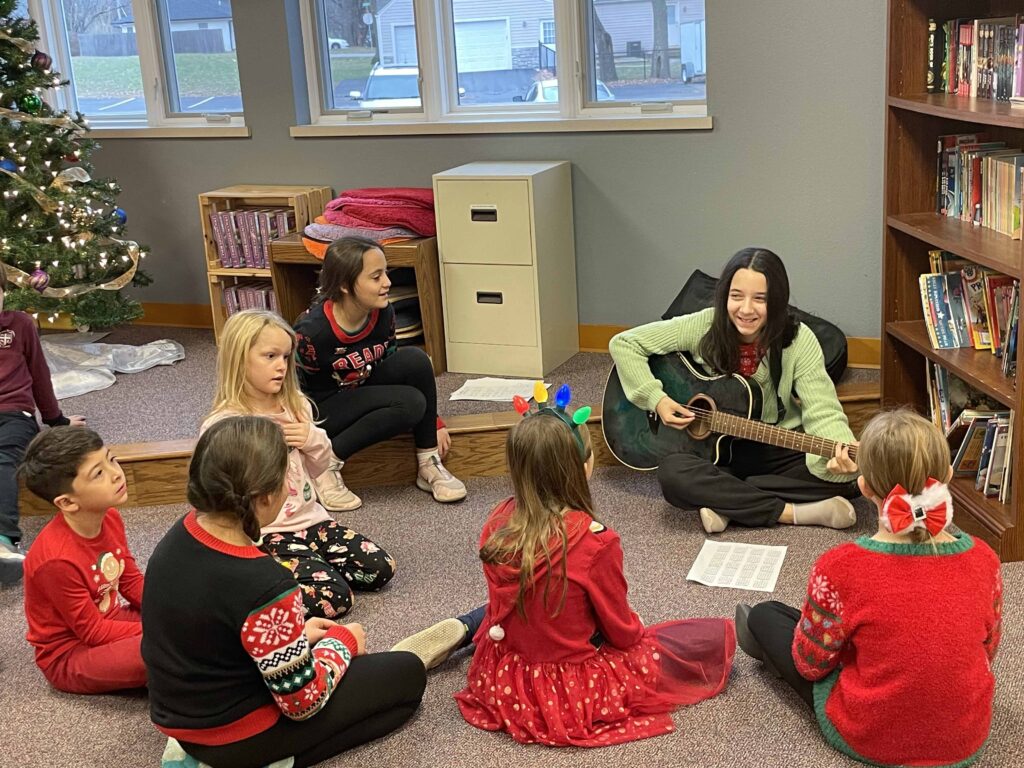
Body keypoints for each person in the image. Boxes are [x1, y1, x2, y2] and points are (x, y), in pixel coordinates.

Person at [443, 390, 735, 747]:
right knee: (709, 640)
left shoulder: (497, 521)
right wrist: (635, 627)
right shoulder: (595, 542)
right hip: (569, 691)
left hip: (506, 678)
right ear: (584, 467)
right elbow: (622, 633)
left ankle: (461, 630)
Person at [142, 416, 426, 768]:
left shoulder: (181, 533)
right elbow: (303, 702)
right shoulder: (265, 582)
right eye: (286, 479)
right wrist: (342, 643)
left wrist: (295, 637)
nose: (291, 489)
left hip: (181, 720)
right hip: (236, 736)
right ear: (264, 497)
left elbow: (214, 630)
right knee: (408, 676)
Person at [737, 409, 1002, 768]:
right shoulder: (985, 558)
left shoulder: (840, 566)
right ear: (949, 477)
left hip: (872, 737)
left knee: (769, 615)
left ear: (863, 487)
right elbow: (987, 651)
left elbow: (810, 664)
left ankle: (764, 641)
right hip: (964, 738)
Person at [609, 247, 859, 534]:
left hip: (771, 443)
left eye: (760, 299)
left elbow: (823, 411)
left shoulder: (799, 341)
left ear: (777, 301)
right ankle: (793, 513)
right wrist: (657, 400)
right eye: (736, 296)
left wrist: (843, 450)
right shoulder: (704, 324)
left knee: (847, 480)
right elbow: (625, 344)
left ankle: (727, 501)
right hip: (708, 451)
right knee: (674, 476)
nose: (746, 309)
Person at [203, 309, 394, 619]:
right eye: (270, 356)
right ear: (240, 359)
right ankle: (255, 592)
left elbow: (322, 468)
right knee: (337, 597)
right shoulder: (225, 424)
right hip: (267, 532)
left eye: (285, 357)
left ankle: (299, 571)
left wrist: (311, 438)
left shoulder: (297, 405)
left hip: (312, 520)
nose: (281, 366)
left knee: (380, 568)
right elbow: (219, 493)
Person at [294, 236, 466, 509]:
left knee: (416, 360)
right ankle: (328, 463)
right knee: (409, 403)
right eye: (376, 277)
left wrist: (433, 423)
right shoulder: (312, 332)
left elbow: (391, 362)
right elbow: (295, 390)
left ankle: (428, 461)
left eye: (386, 272)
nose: (387, 282)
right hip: (325, 407)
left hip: (362, 386)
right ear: (344, 285)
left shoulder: (383, 313)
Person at [18, 426, 146, 694]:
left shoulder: (109, 516)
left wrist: (169, 611)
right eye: (98, 473)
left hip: (113, 620)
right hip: (69, 654)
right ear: (66, 502)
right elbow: (92, 632)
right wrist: (159, 629)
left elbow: (130, 580)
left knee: (189, 606)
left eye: (110, 459)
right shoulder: (55, 560)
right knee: (164, 649)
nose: (115, 473)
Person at [0, 260, 85, 583]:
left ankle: (4, 539)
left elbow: (39, 376)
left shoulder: (19, 325)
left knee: (4, 458)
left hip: (13, 414)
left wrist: (57, 420)